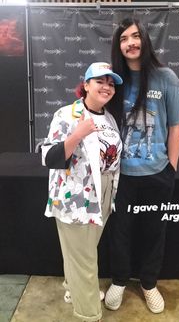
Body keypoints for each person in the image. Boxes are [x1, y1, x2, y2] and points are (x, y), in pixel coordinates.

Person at [105, 17, 179, 314]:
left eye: (135, 36)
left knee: (155, 230)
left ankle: (149, 283)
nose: (130, 42)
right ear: (119, 46)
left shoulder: (166, 77)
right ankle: (118, 280)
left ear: (145, 40)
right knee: (120, 231)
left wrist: (172, 168)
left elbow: (176, 127)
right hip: (121, 176)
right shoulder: (112, 80)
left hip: (157, 174)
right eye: (124, 38)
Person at [41, 62, 123, 322]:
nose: (106, 87)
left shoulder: (108, 117)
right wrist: (76, 135)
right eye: (100, 81)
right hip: (76, 198)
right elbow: (48, 157)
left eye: (111, 84)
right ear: (85, 85)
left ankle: (71, 289)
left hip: (105, 191)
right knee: (85, 261)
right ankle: (88, 314)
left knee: (80, 252)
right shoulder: (66, 114)